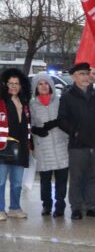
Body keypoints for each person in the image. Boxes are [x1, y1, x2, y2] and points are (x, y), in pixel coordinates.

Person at [57, 63, 95, 220]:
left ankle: (91, 206)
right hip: (78, 145)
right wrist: (75, 132)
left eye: (87, 73)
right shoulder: (68, 96)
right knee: (77, 177)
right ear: (74, 77)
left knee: (93, 176)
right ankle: (77, 207)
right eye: (81, 74)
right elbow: (62, 120)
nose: (86, 77)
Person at [29, 73, 69, 217]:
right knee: (45, 181)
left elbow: (66, 121)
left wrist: (56, 124)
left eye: (46, 83)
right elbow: (30, 125)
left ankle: (60, 205)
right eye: (40, 84)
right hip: (43, 147)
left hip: (60, 146)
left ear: (51, 85)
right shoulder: (32, 105)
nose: (44, 86)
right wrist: (36, 130)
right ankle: (46, 205)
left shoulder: (59, 102)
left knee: (62, 180)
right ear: (36, 87)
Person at [0, 69, 31, 221]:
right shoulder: (1, 101)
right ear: (5, 85)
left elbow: (27, 126)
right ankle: (0, 210)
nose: (13, 86)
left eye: (16, 83)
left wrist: (30, 145)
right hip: (3, 147)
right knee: (0, 181)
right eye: (10, 83)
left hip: (20, 148)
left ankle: (14, 208)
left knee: (17, 182)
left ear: (21, 85)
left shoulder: (24, 103)